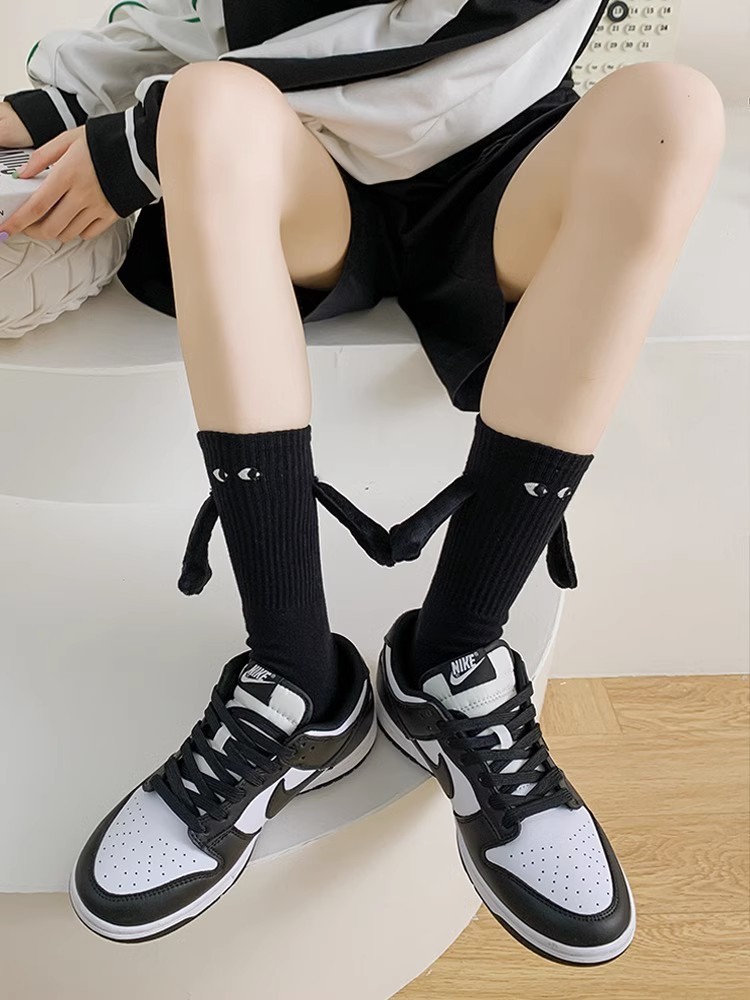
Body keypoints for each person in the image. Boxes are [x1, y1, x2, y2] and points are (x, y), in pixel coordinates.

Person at [0, 0, 724, 962]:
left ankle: (453, 659)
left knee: (673, 109)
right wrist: (54, 112)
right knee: (208, 102)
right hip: (315, 182)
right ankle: (297, 681)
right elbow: (189, 24)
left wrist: (135, 143)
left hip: (505, 171)